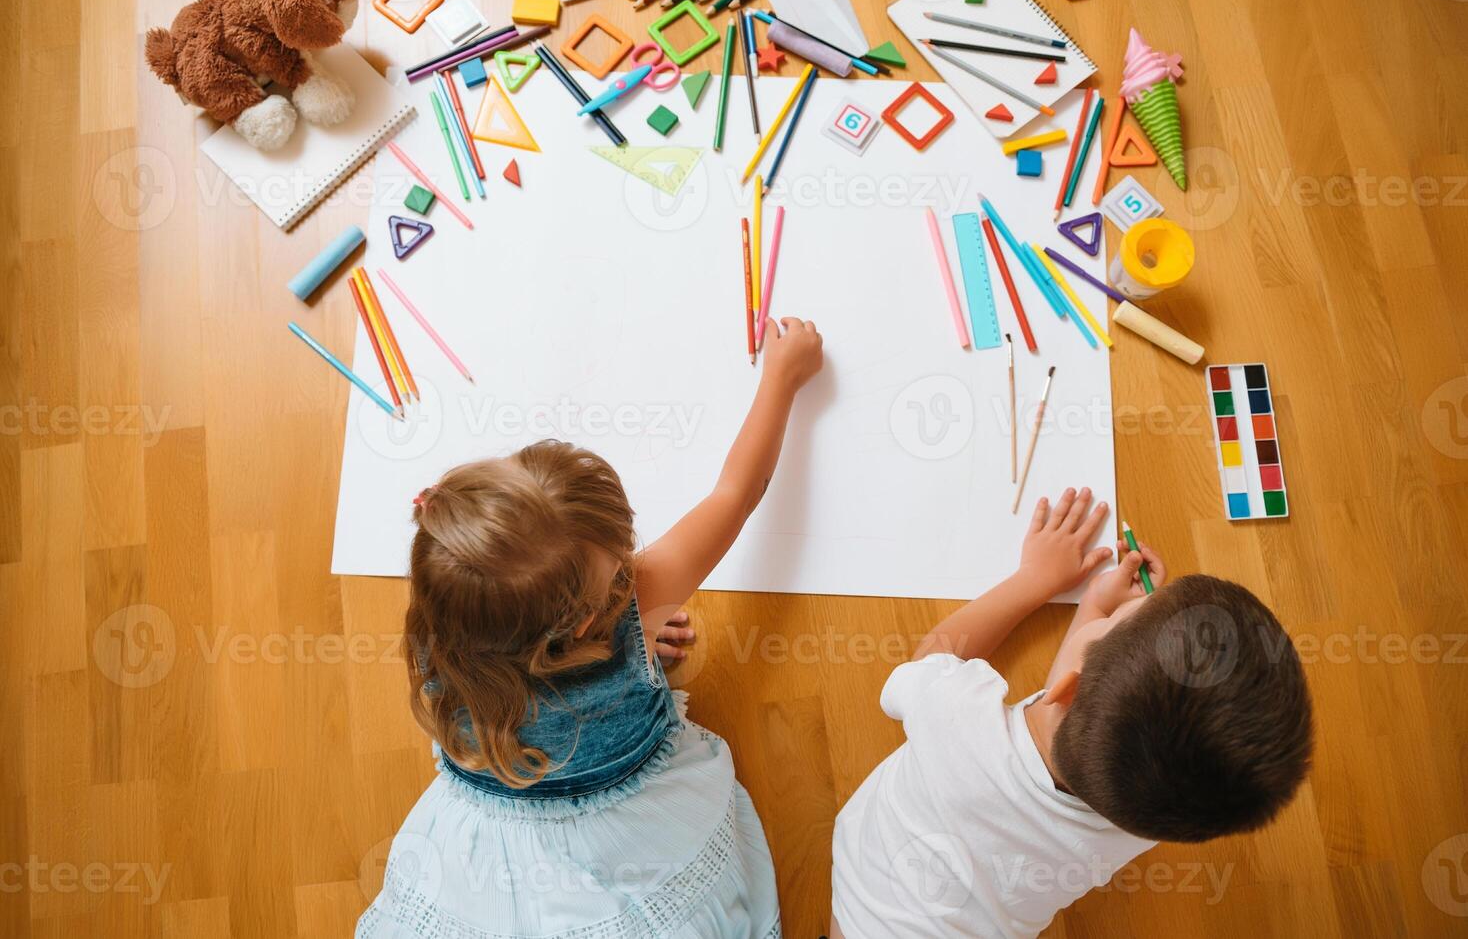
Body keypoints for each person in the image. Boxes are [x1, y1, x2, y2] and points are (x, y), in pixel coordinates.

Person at [358, 318, 824, 938]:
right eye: (616, 573)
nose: (629, 570)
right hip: (634, 842)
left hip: (488, 858)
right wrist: (783, 379)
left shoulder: (443, 625)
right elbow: (737, 493)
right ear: (582, 622)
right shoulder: (643, 597)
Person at [831, 488, 1313, 938]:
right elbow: (1069, 705)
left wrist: (1034, 580)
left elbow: (928, 662)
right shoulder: (1144, 819)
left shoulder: (955, 716)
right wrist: (1097, 613)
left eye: (1125, 617)